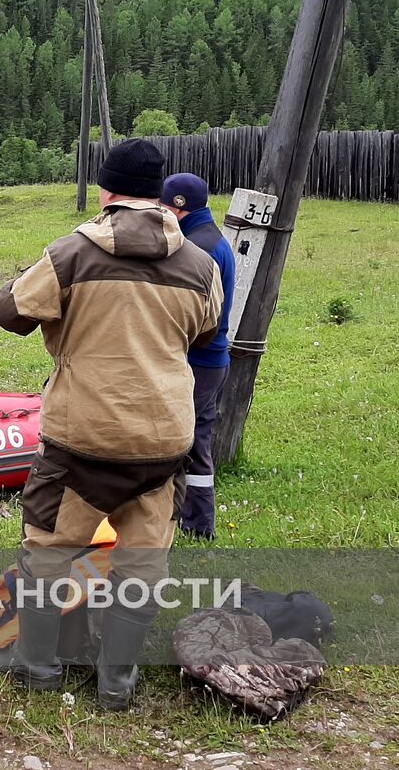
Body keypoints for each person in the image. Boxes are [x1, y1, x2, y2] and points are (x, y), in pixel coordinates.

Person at [0, 139, 222, 709]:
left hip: (81, 441)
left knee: (47, 554)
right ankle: (117, 684)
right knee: (142, 565)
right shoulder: (201, 264)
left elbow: (10, 313)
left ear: (107, 191)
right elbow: (205, 334)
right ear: (160, 194)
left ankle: (41, 670)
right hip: (164, 440)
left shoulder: (70, 254)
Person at [160, 173, 236, 540]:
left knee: (176, 439)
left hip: (198, 359)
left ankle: (175, 518)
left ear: (178, 206)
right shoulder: (211, 238)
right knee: (197, 439)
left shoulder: (197, 248)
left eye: (163, 205)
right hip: (212, 360)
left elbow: (190, 313)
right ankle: (198, 522)